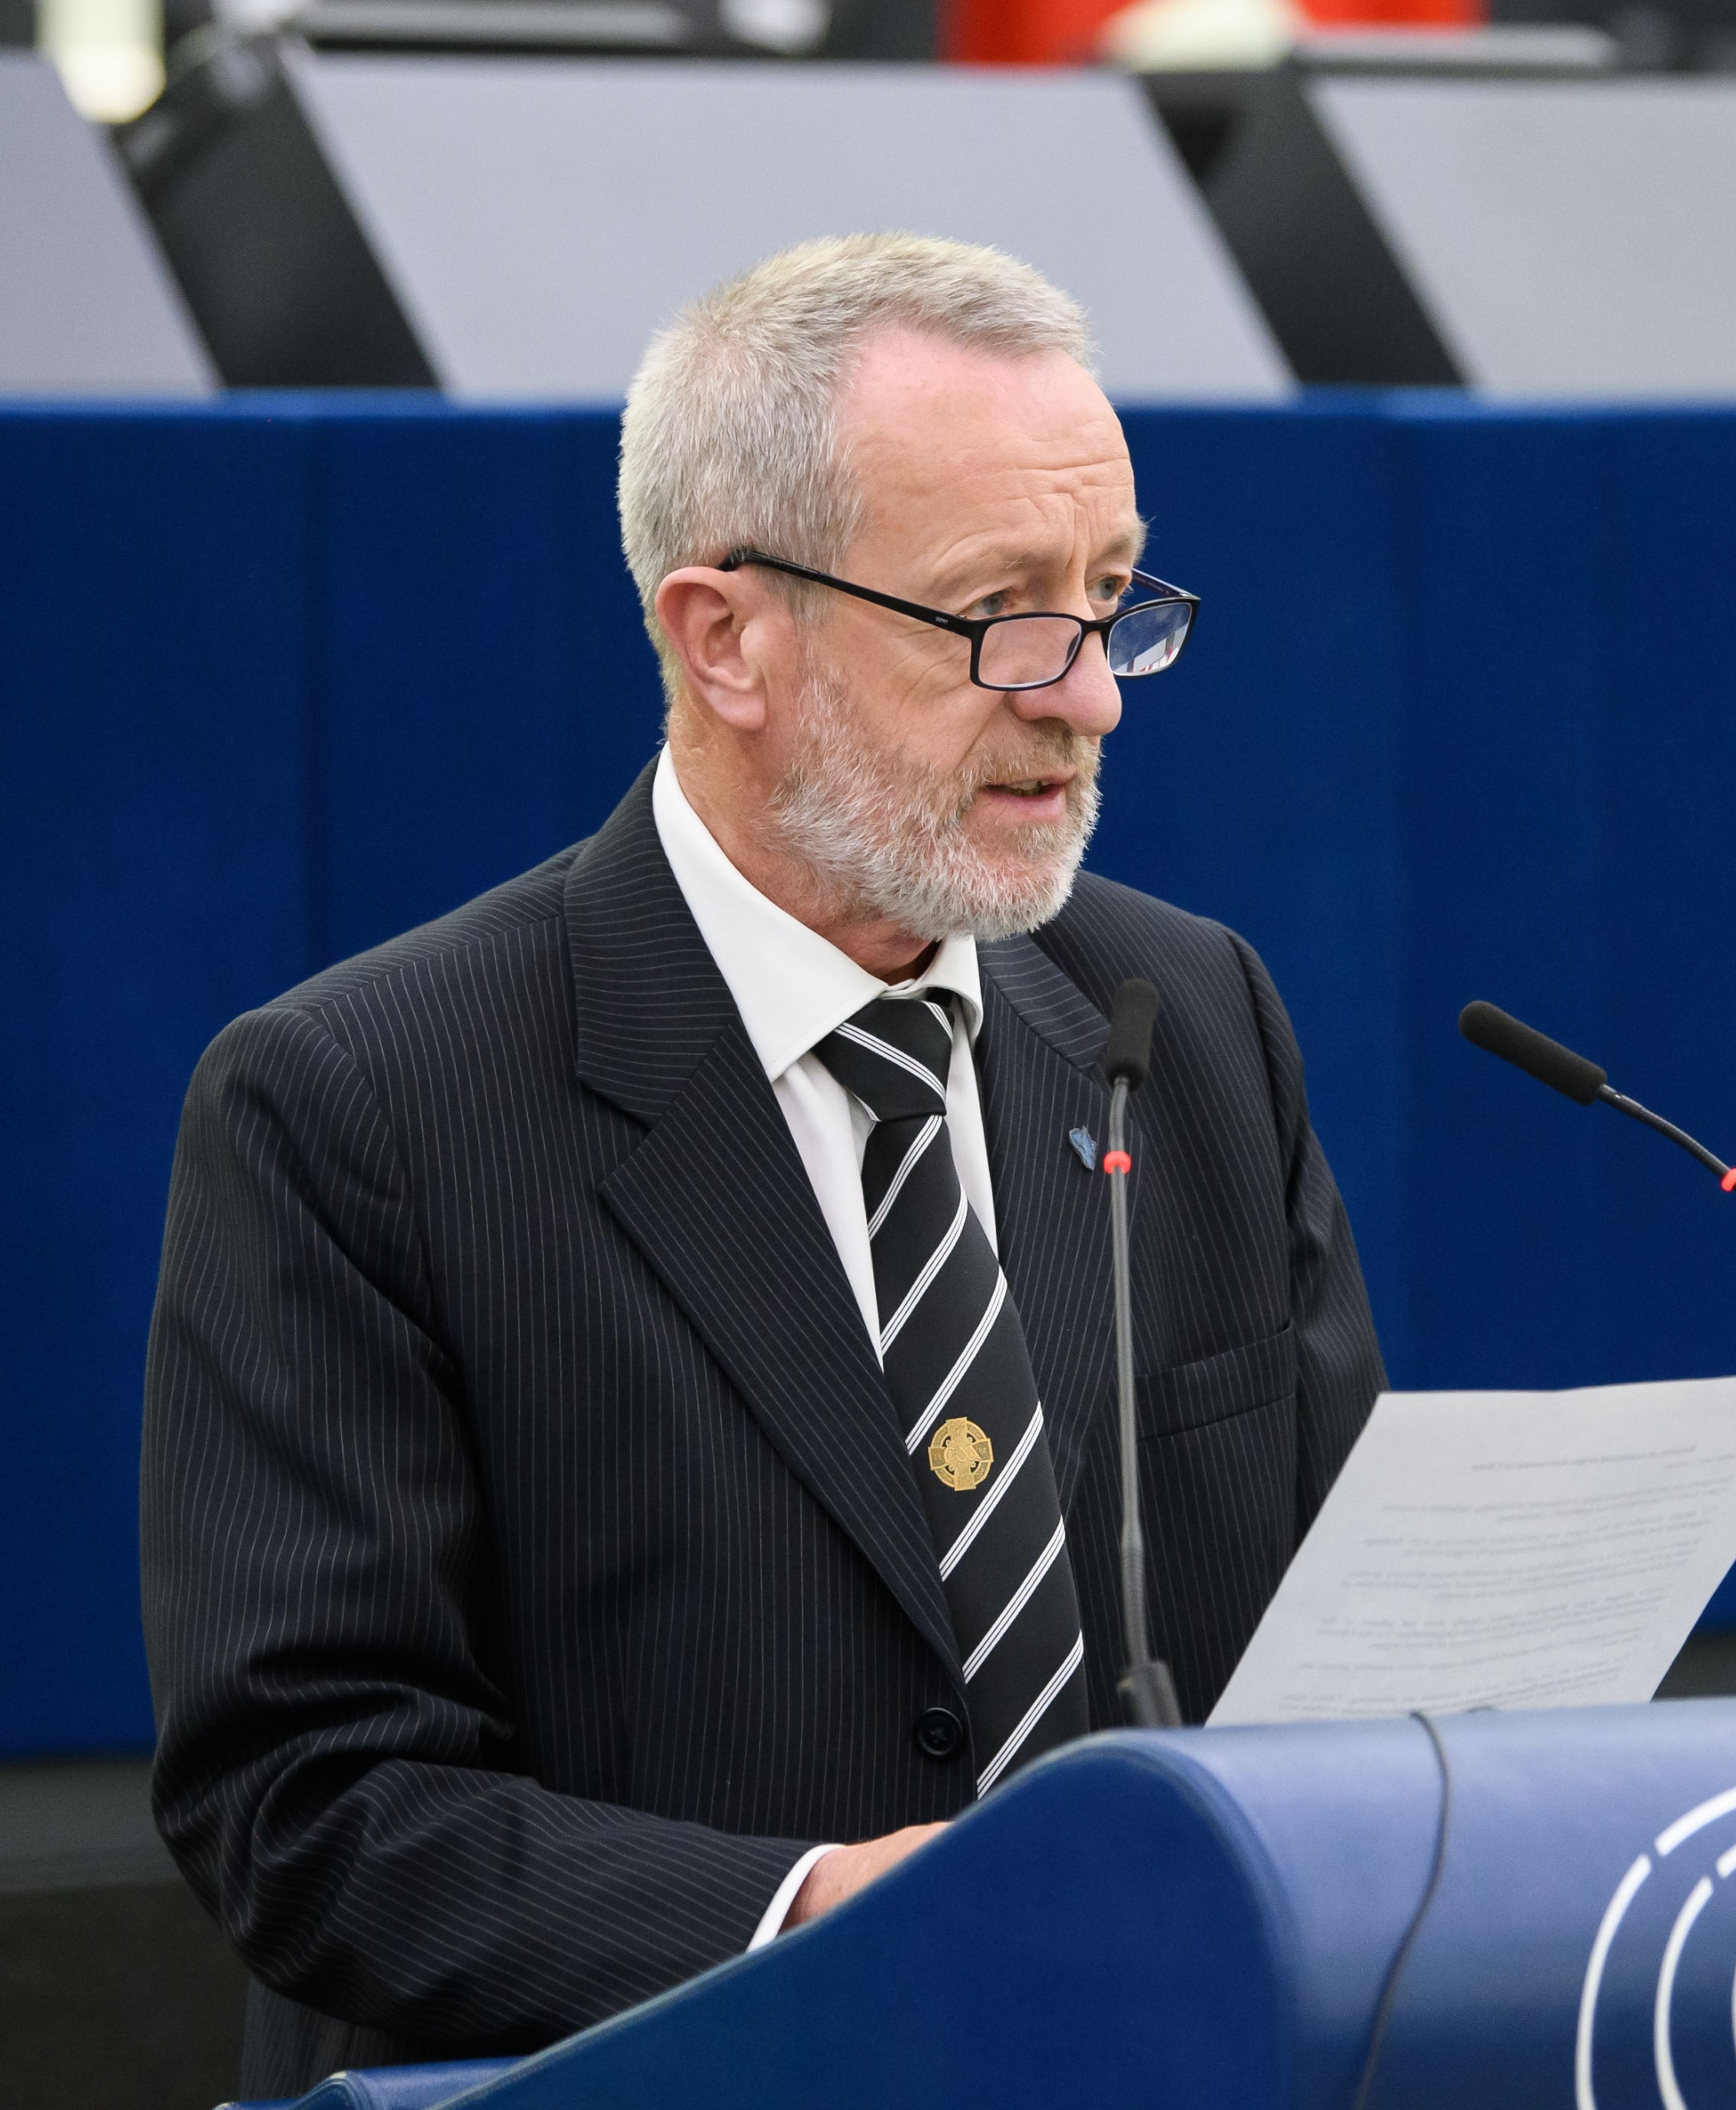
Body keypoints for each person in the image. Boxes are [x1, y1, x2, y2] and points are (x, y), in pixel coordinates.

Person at [140, 233, 1386, 2097]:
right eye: (997, 617)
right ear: (726, 636)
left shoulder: (1186, 1015)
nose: (1089, 698)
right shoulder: (359, 1108)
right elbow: (312, 1809)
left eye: (1113, 601)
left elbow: (1332, 1621)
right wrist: (812, 1911)